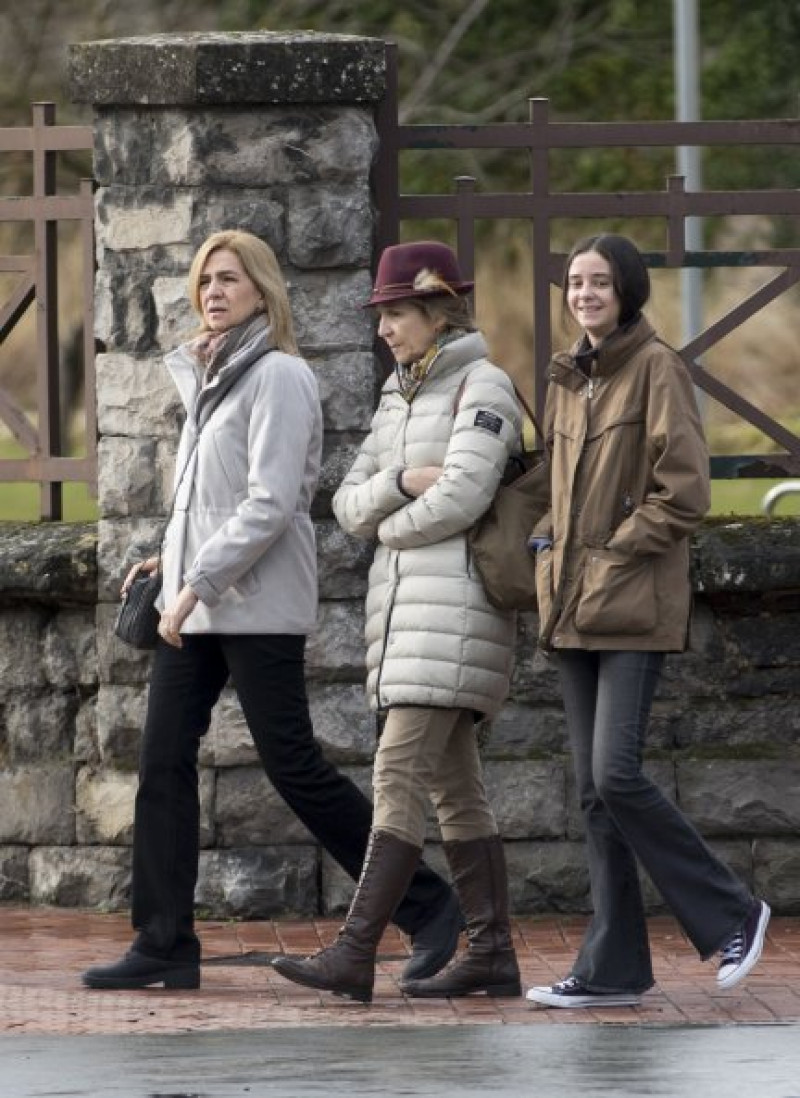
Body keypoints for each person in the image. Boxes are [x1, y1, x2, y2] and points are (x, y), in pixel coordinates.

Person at [81, 230, 463, 991]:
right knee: (160, 763)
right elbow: (206, 494)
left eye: (230, 279)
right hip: (200, 598)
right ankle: (163, 943)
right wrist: (170, 555)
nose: (213, 292)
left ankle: (430, 907)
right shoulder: (212, 374)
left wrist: (195, 586)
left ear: (263, 289)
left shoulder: (281, 376)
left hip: (252, 602)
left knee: (294, 768)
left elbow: (271, 502)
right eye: (205, 281)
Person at [272, 240, 523, 1004]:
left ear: (438, 310)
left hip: (457, 618)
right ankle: (492, 953)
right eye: (381, 315)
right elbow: (347, 502)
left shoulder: (485, 386)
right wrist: (399, 481)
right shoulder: (398, 397)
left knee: (395, 775)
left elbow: (466, 495)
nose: (384, 328)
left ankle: (355, 952)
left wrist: (389, 521)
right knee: (456, 794)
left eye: (396, 313)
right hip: (405, 621)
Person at [526, 233, 770, 1009]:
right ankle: (614, 968)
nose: (585, 294)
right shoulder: (567, 376)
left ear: (629, 292)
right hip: (570, 604)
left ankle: (735, 912)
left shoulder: (660, 369)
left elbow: (686, 491)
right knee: (594, 796)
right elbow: (557, 489)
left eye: (600, 283)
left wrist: (609, 549)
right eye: (575, 283)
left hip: (630, 602)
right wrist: (547, 546)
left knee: (617, 774)